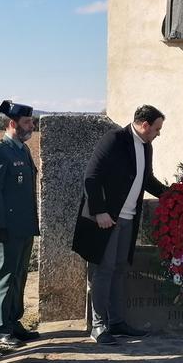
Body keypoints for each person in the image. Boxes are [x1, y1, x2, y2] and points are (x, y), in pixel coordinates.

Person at [72, 105, 168, 345]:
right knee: (103, 271)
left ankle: (117, 322)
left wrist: (172, 194)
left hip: (128, 218)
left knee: (120, 269)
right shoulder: (114, 139)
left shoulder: (147, 146)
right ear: (144, 125)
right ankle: (98, 326)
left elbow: (147, 180)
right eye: (156, 129)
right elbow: (91, 176)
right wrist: (100, 211)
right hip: (106, 220)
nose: (158, 133)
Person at [0, 100, 40, 347]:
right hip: (7, 227)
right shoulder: (0, 150)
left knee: (19, 275)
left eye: (31, 121)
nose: (31, 125)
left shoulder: (22, 149)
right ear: (12, 124)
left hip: (24, 225)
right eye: (27, 122)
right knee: (5, 275)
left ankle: (13, 320)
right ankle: (0, 326)